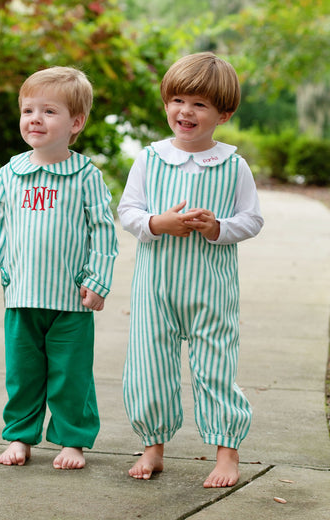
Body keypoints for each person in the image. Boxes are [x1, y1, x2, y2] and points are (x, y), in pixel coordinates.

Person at [117, 52, 264, 487]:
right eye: (178, 99)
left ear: (224, 113)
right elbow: (128, 211)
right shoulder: (149, 159)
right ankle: (152, 447)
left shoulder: (234, 166)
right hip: (154, 289)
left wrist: (219, 226)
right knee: (148, 367)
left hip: (211, 290)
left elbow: (252, 219)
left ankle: (226, 453)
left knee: (216, 368)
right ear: (166, 103)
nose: (186, 111)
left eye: (199, 104)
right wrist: (155, 223)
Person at [0, 66, 118, 470]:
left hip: (70, 298)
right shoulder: (11, 173)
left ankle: (72, 440)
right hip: (21, 296)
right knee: (23, 374)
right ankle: (20, 436)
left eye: (48, 111)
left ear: (76, 122)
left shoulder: (86, 176)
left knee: (71, 377)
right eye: (28, 110)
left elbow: (103, 232)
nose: (35, 119)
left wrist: (98, 279)